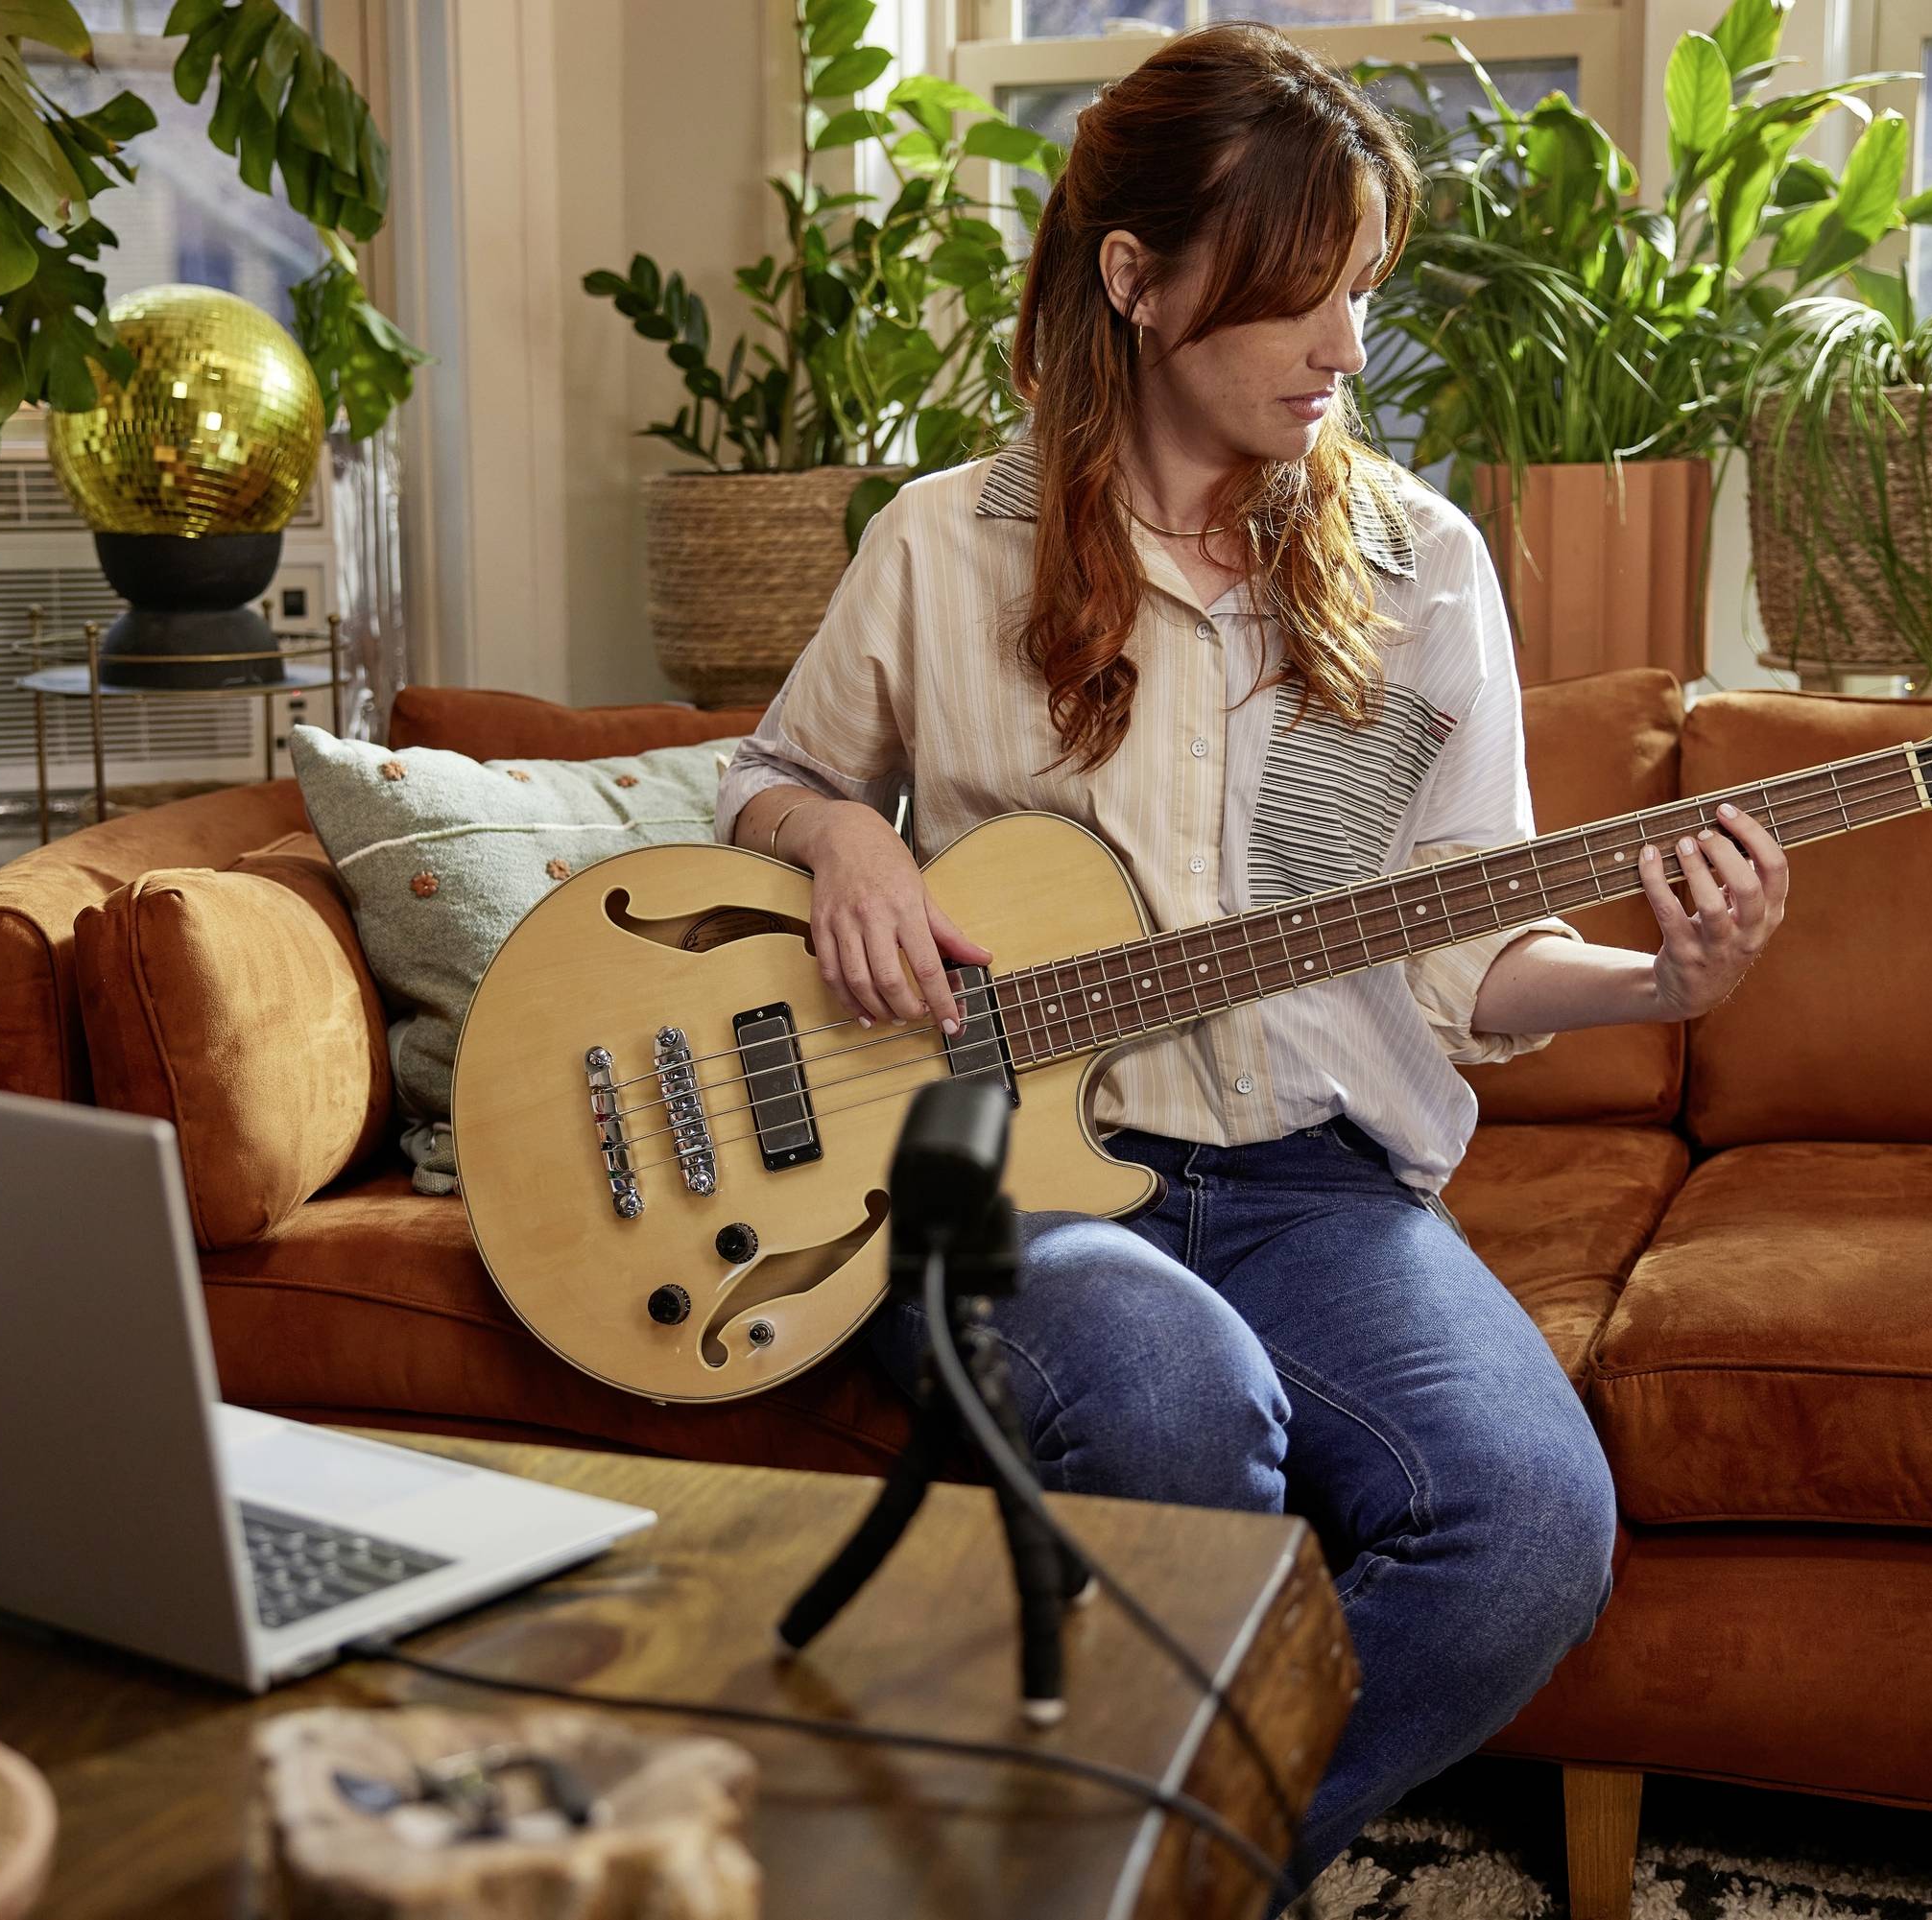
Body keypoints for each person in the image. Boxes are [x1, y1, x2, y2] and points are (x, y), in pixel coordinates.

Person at [713, 20, 1792, 1884]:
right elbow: (771, 773)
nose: (1350, 350)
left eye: (1361, 291)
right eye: (1302, 294)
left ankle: (1149, 1875)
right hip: (1003, 1177)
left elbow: (1469, 940)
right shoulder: (938, 545)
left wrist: (1661, 983)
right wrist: (830, 843)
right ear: (1134, 279)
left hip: (1313, 1182)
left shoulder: (1419, 564)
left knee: (1529, 1527)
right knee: (1173, 1395)